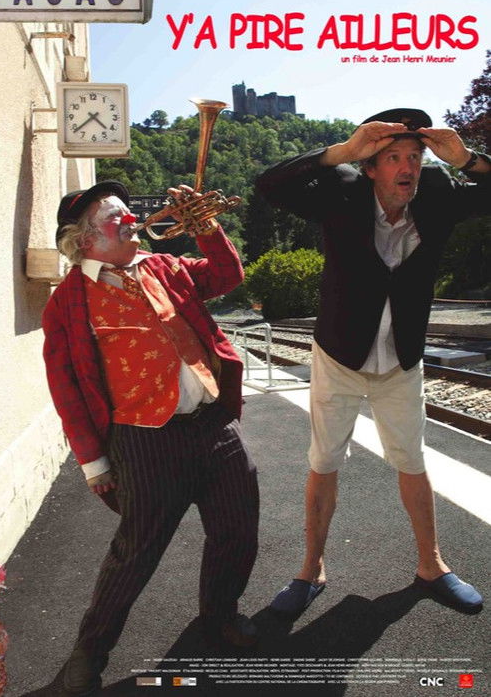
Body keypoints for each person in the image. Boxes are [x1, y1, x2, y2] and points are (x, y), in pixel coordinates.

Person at [255, 108, 490, 616]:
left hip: (401, 357)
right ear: (370, 167)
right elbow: (269, 185)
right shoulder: (341, 191)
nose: (408, 167)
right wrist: (341, 151)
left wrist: (467, 159)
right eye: (393, 157)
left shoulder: (437, 193)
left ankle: (431, 565)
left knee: (412, 459)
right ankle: (311, 569)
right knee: (324, 460)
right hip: (339, 353)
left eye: (415, 156)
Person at [42, 181, 259, 694]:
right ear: (86, 239)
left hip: (213, 422)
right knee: (135, 554)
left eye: (128, 212)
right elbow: (65, 386)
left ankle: (220, 615)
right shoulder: (68, 300)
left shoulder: (163, 265)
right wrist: (93, 461)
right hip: (143, 439)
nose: (131, 219)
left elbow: (227, 275)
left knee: (237, 530)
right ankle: (88, 655)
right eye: (116, 216)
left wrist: (206, 227)